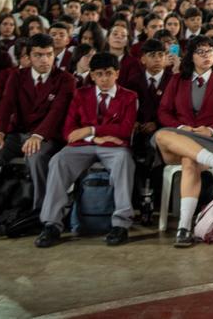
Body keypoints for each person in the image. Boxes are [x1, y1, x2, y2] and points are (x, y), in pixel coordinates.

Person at [0, 33, 75, 229]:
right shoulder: (17, 76)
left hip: (47, 136)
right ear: (29, 56)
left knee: (35, 154)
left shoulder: (65, 79)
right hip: (17, 134)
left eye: (49, 54)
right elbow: (5, 106)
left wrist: (38, 136)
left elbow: (57, 113)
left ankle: (41, 211)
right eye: (38, 55)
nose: (44, 60)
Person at [34, 53, 138, 248]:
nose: (104, 79)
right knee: (58, 160)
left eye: (109, 73)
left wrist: (90, 129)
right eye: (99, 74)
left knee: (124, 160)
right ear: (92, 75)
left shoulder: (129, 96)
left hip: (114, 147)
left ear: (117, 73)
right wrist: (94, 137)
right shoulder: (80, 94)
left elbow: (125, 129)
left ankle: (120, 224)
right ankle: (51, 224)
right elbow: (69, 131)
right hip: (83, 145)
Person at [151, 35, 213, 248]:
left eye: (210, 51)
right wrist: (181, 127)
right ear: (191, 56)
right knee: (161, 135)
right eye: (200, 52)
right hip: (181, 138)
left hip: (212, 140)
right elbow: (163, 111)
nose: (206, 55)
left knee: (189, 161)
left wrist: (211, 130)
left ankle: (183, 227)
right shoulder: (177, 80)